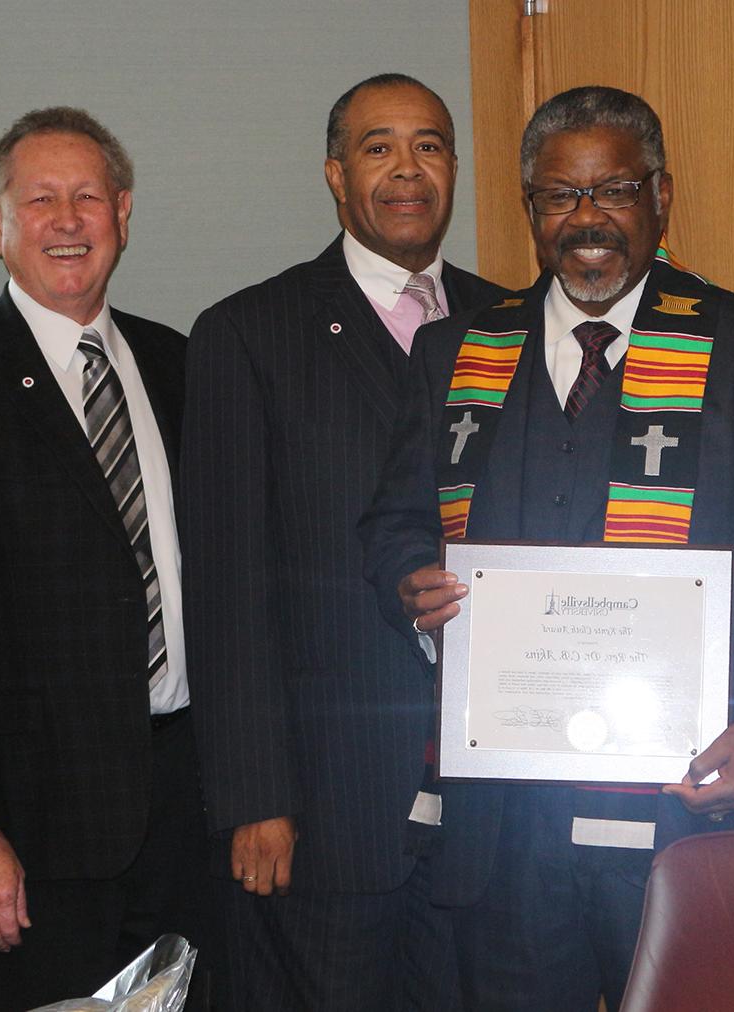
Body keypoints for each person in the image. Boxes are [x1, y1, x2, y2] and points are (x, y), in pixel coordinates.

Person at [361, 85, 734, 1010]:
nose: (586, 220)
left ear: (662, 196)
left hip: (681, 808)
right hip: (506, 829)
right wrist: (408, 584)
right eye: (558, 196)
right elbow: (393, 523)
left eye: (613, 191)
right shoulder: (456, 348)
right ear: (531, 208)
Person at [0, 107, 213, 1011]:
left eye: (88, 197)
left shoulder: (184, 368)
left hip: (185, 814)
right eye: (40, 199)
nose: (68, 220)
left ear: (123, 214)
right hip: (26, 838)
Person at [180, 73, 504, 1010]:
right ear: (334, 173)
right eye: (378, 147)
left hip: (487, 810)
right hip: (326, 809)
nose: (408, 169)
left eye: (431, 145)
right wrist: (252, 798)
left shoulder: (511, 325)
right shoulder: (248, 334)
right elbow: (228, 591)